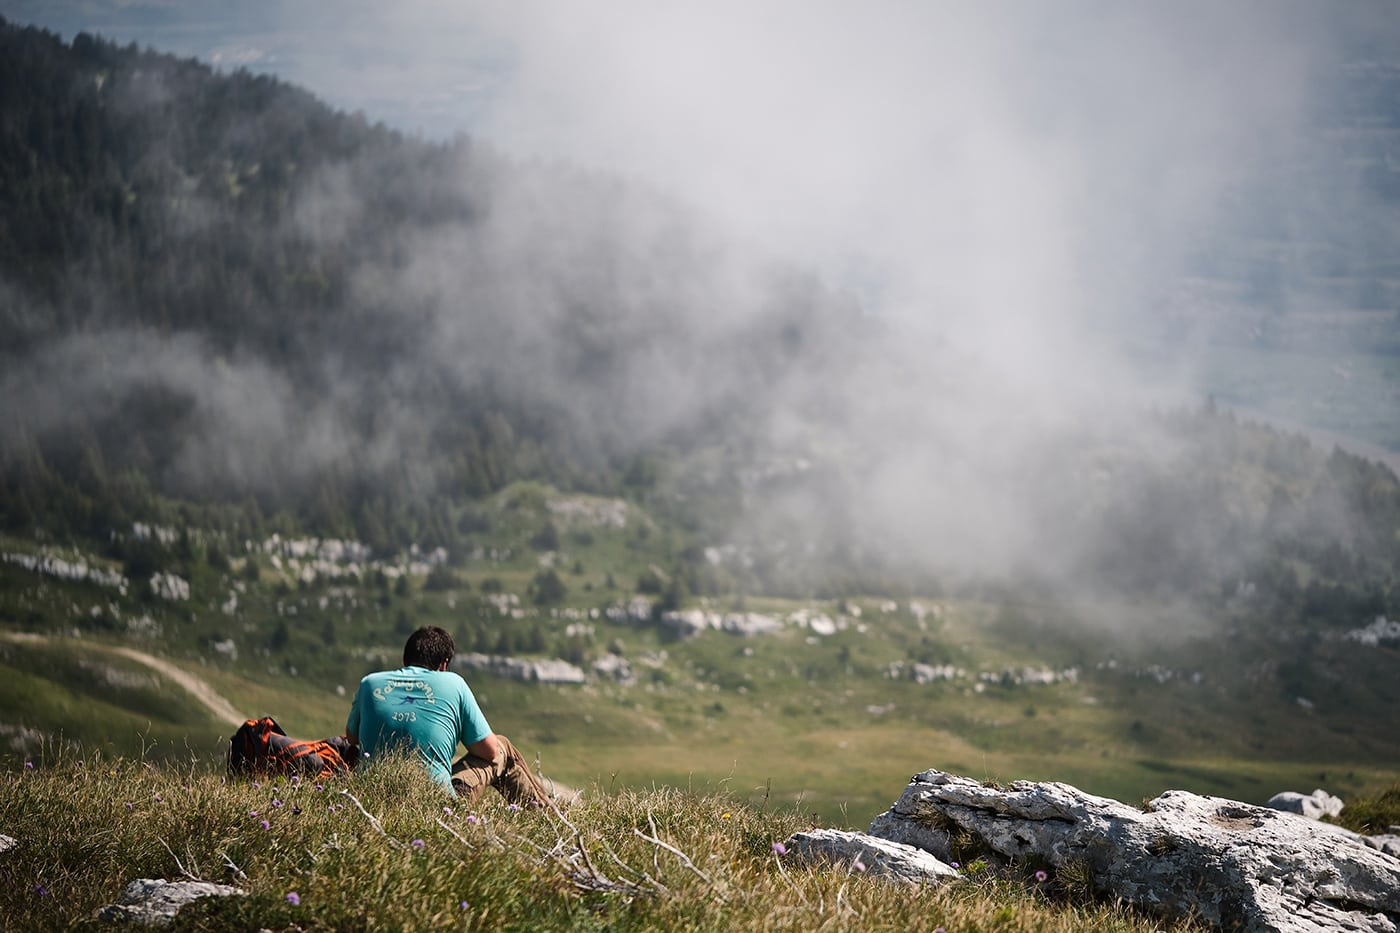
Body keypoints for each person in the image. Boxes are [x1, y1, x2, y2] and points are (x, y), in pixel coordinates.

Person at [346, 625, 553, 807]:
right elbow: (489, 752)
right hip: (435, 802)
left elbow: (352, 738)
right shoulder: (453, 683)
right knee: (502, 747)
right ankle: (549, 818)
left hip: (372, 797)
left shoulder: (369, 683)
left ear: (404, 660)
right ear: (444, 664)